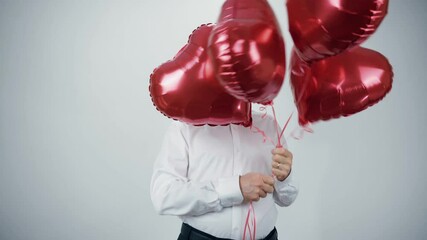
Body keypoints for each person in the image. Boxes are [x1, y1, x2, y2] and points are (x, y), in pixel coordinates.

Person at [150, 112, 299, 240]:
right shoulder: (185, 125)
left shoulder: (268, 124)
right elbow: (163, 195)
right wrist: (236, 188)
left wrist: (284, 178)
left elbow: (286, 199)